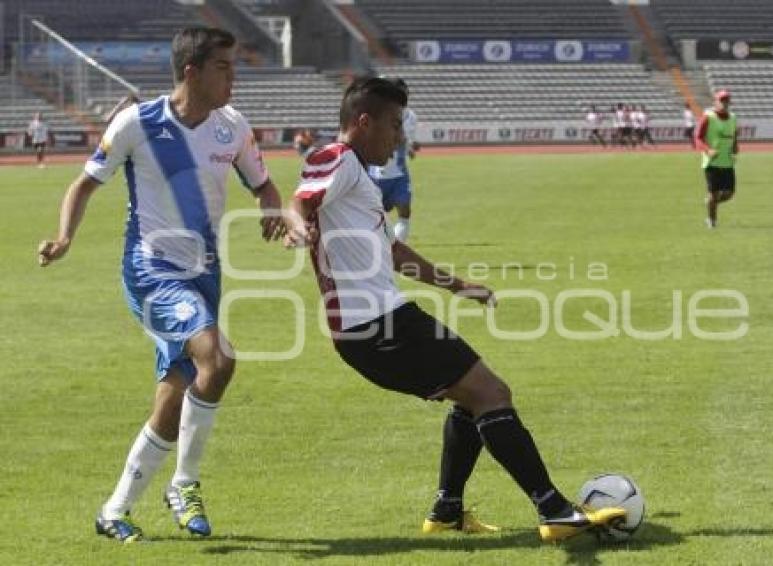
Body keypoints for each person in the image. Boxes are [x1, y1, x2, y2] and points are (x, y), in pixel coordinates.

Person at [283, 77, 626, 542]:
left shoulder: (359, 176)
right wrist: (296, 225)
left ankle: (446, 510)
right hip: (377, 324)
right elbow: (300, 201)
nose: (399, 136)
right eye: (394, 125)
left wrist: (460, 286)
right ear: (363, 122)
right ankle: (554, 511)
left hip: (379, 322)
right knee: (492, 392)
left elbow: (396, 256)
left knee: (471, 396)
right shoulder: (337, 158)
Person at [37, 27, 285, 543]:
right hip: (152, 272)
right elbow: (84, 183)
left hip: (204, 272)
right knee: (219, 359)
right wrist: (64, 237)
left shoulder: (233, 127)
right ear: (192, 71)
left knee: (175, 397)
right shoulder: (138, 122)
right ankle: (185, 484)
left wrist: (270, 211)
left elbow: (263, 184)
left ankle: (114, 510)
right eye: (224, 67)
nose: (233, 78)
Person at [367, 77, 419, 243]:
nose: (405, 96)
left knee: (404, 214)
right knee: (372, 216)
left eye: (406, 93)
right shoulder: (377, 113)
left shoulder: (410, 116)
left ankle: (394, 251)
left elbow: (404, 139)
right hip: (375, 175)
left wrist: (409, 147)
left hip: (399, 175)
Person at [694, 90, 738, 229]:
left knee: (729, 194)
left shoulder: (733, 117)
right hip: (712, 162)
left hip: (727, 161)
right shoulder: (708, 117)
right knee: (714, 193)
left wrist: (735, 146)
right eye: (722, 101)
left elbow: (734, 135)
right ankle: (712, 221)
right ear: (716, 102)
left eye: (726, 101)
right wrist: (708, 150)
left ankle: (711, 203)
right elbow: (698, 137)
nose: (724, 104)